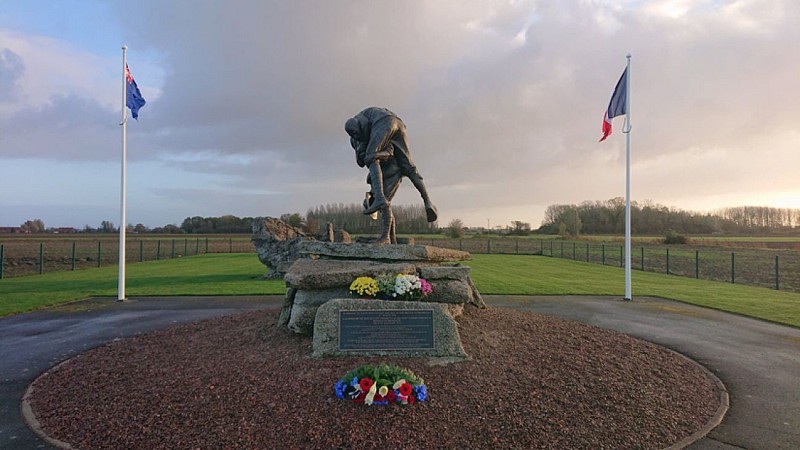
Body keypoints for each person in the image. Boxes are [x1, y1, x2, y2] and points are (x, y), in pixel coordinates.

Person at [345, 107, 438, 223]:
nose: (357, 136)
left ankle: (379, 198)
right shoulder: (358, 139)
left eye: (358, 133)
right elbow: (384, 153)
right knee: (409, 167)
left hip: (385, 122)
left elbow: (368, 158)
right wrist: (366, 153)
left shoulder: (366, 125)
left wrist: (369, 154)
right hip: (397, 124)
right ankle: (428, 202)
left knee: (371, 156)